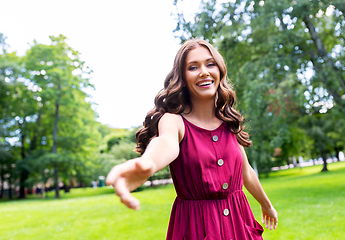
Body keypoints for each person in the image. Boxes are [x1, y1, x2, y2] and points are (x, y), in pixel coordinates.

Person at [106, 39, 278, 239]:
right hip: (197, 227)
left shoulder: (228, 122)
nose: (203, 71)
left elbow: (246, 172)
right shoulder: (174, 121)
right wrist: (148, 163)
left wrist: (267, 206)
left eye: (210, 64)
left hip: (239, 223)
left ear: (220, 70)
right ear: (183, 77)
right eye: (193, 67)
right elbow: (166, 144)